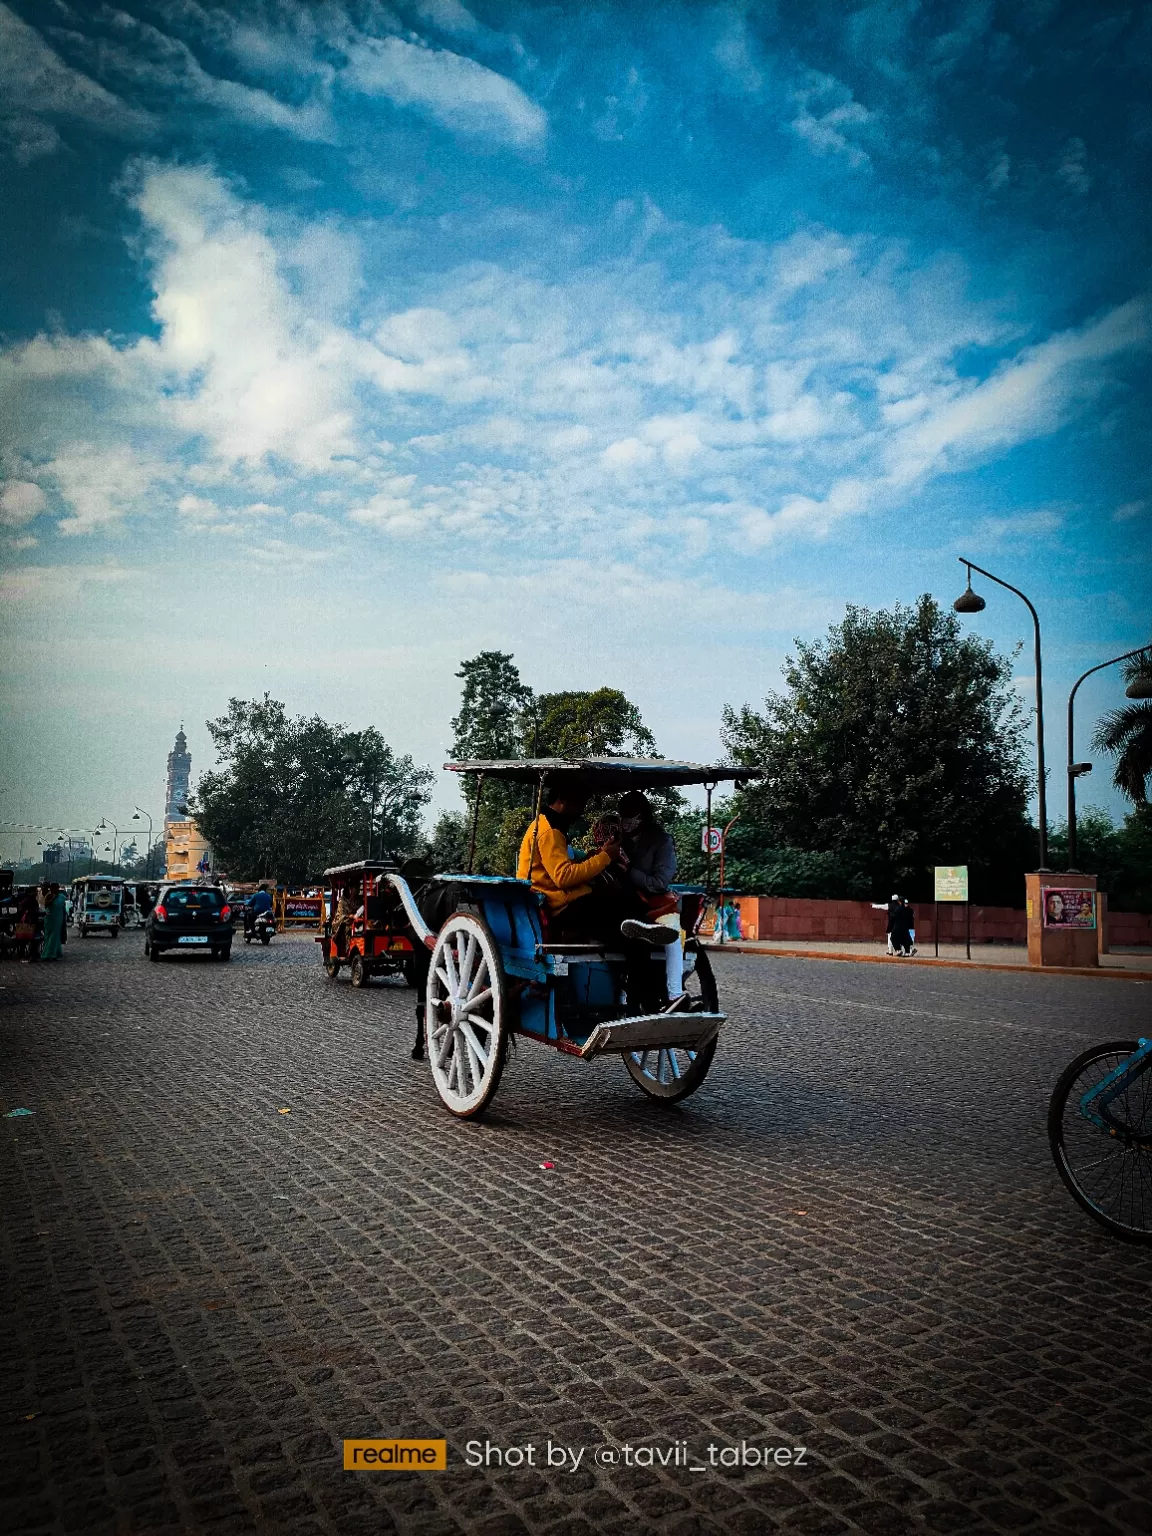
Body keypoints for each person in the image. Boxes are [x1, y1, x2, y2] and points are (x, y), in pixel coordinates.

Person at [518, 786, 674, 952]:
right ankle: (639, 946)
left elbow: (562, 868)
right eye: (580, 804)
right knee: (624, 911)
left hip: (560, 898)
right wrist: (606, 857)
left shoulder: (547, 824)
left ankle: (642, 930)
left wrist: (598, 854)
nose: (582, 810)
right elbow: (563, 877)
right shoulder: (550, 830)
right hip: (560, 905)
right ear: (562, 800)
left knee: (625, 902)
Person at [617, 789, 686, 1005]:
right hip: (627, 904)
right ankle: (622, 996)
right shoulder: (619, 841)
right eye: (622, 816)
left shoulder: (662, 841)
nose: (625, 822)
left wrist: (629, 870)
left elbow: (659, 883)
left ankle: (674, 994)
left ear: (642, 816)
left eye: (630, 816)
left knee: (673, 936)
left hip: (658, 906)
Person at [40, 882, 67, 961]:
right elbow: (46, 905)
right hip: (50, 918)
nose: (56, 889)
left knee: (56, 936)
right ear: (51, 889)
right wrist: (52, 899)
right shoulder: (49, 896)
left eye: (57, 888)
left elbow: (63, 907)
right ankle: (48, 953)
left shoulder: (62, 896)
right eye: (54, 888)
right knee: (49, 936)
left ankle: (55, 953)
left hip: (58, 918)